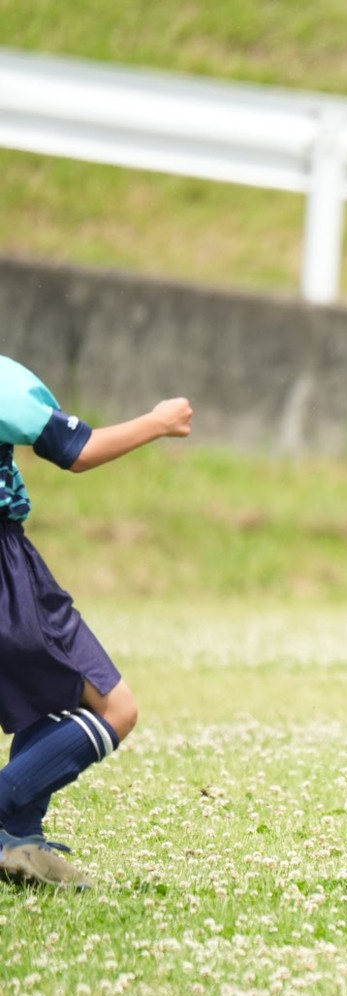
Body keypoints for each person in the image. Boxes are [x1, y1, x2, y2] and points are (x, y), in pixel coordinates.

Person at [0, 355, 192, 888]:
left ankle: (20, 838)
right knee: (115, 708)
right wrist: (159, 421)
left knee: (47, 699)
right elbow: (76, 450)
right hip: (6, 573)